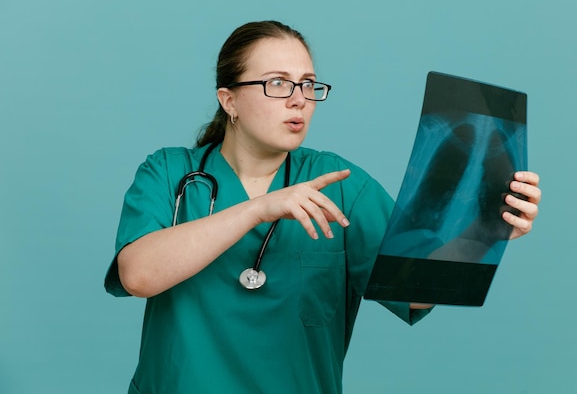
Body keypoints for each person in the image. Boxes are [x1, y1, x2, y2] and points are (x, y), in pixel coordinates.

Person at [105, 20, 542, 394]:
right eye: (278, 83)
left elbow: (415, 291)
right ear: (229, 99)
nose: (300, 99)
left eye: (308, 85)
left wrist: (482, 231)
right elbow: (138, 274)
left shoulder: (342, 185)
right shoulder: (168, 172)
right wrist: (258, 209)